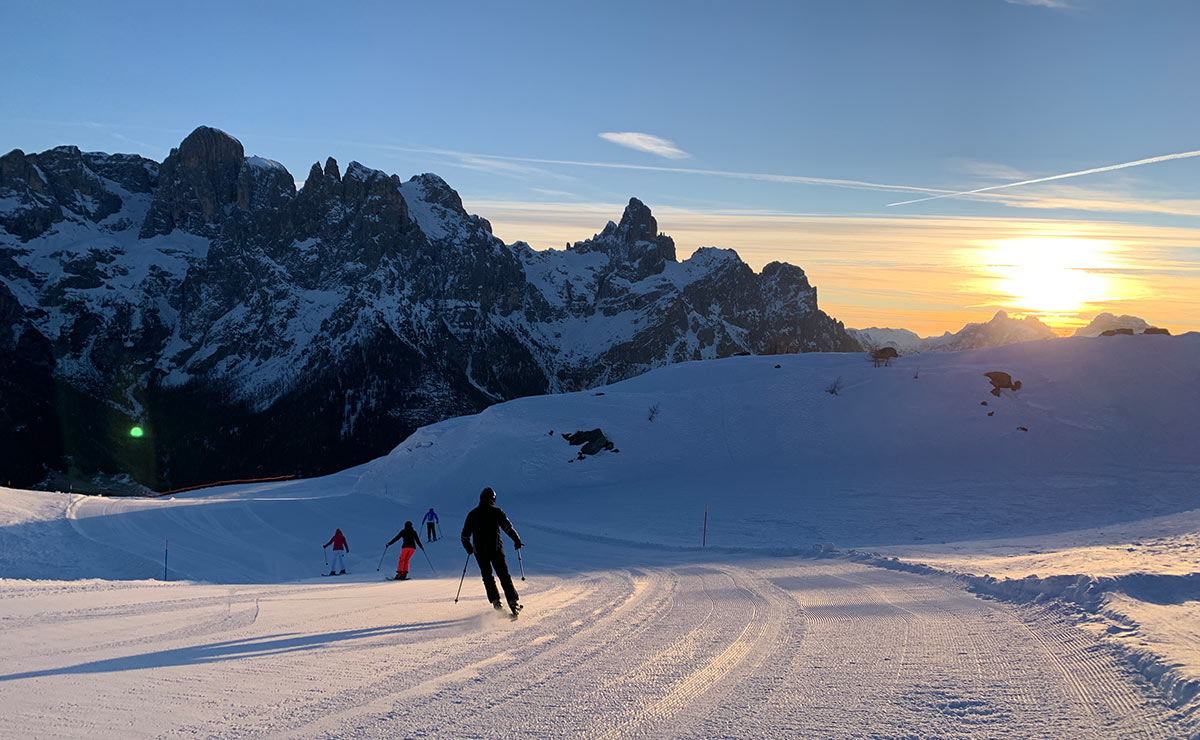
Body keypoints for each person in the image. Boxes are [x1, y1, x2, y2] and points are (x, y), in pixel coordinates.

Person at [461, 487, 523, 615]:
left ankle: (496, 602)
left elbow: (464, 535)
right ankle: (513, 602)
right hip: (495, 549)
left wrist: (468, 547)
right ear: (493, 499)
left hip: (479, 552)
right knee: (504, 575)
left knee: (487, 576)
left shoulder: (472, 514)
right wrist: (516, 540)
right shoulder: (497, 512)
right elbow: (507, 528)